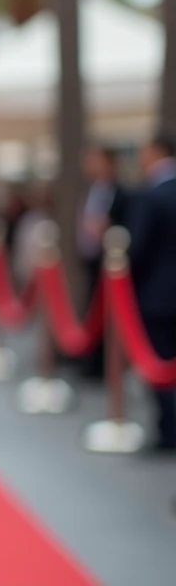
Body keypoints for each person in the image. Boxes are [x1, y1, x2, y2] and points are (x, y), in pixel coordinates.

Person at [126, 134, 176, 453]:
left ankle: (169, 430)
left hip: (159, 294)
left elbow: (138, 249)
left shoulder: (150, 195)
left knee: (160, 361)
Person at [77, 145, 130, 379]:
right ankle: (92, 363)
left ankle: (109, 366)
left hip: (111, 264)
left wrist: (106, 230)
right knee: (92, 311)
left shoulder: (122, 193)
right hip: (91, 260)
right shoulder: (90, 190)